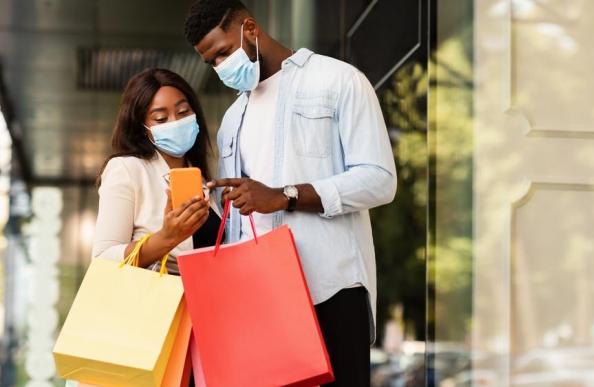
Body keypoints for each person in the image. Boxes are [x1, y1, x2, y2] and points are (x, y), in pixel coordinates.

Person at [184, 1, 397, 385]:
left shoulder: (338, 81)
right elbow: (239, 214)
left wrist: (286, 195)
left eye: (223, 53)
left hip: (330, 288)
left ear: (250, 29)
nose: (220, 67)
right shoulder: (232, 120)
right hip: (260, 299)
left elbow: (379, 179)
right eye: (210, 62)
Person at [92, 68, 221, 276]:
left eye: (183, 112)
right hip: (158, 304)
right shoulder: (127, 169)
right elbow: (103, 258)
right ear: (143, 128)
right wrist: (166, 238)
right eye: (161, 118)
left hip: (208, 302)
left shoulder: (207, 180)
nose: (175, 122)